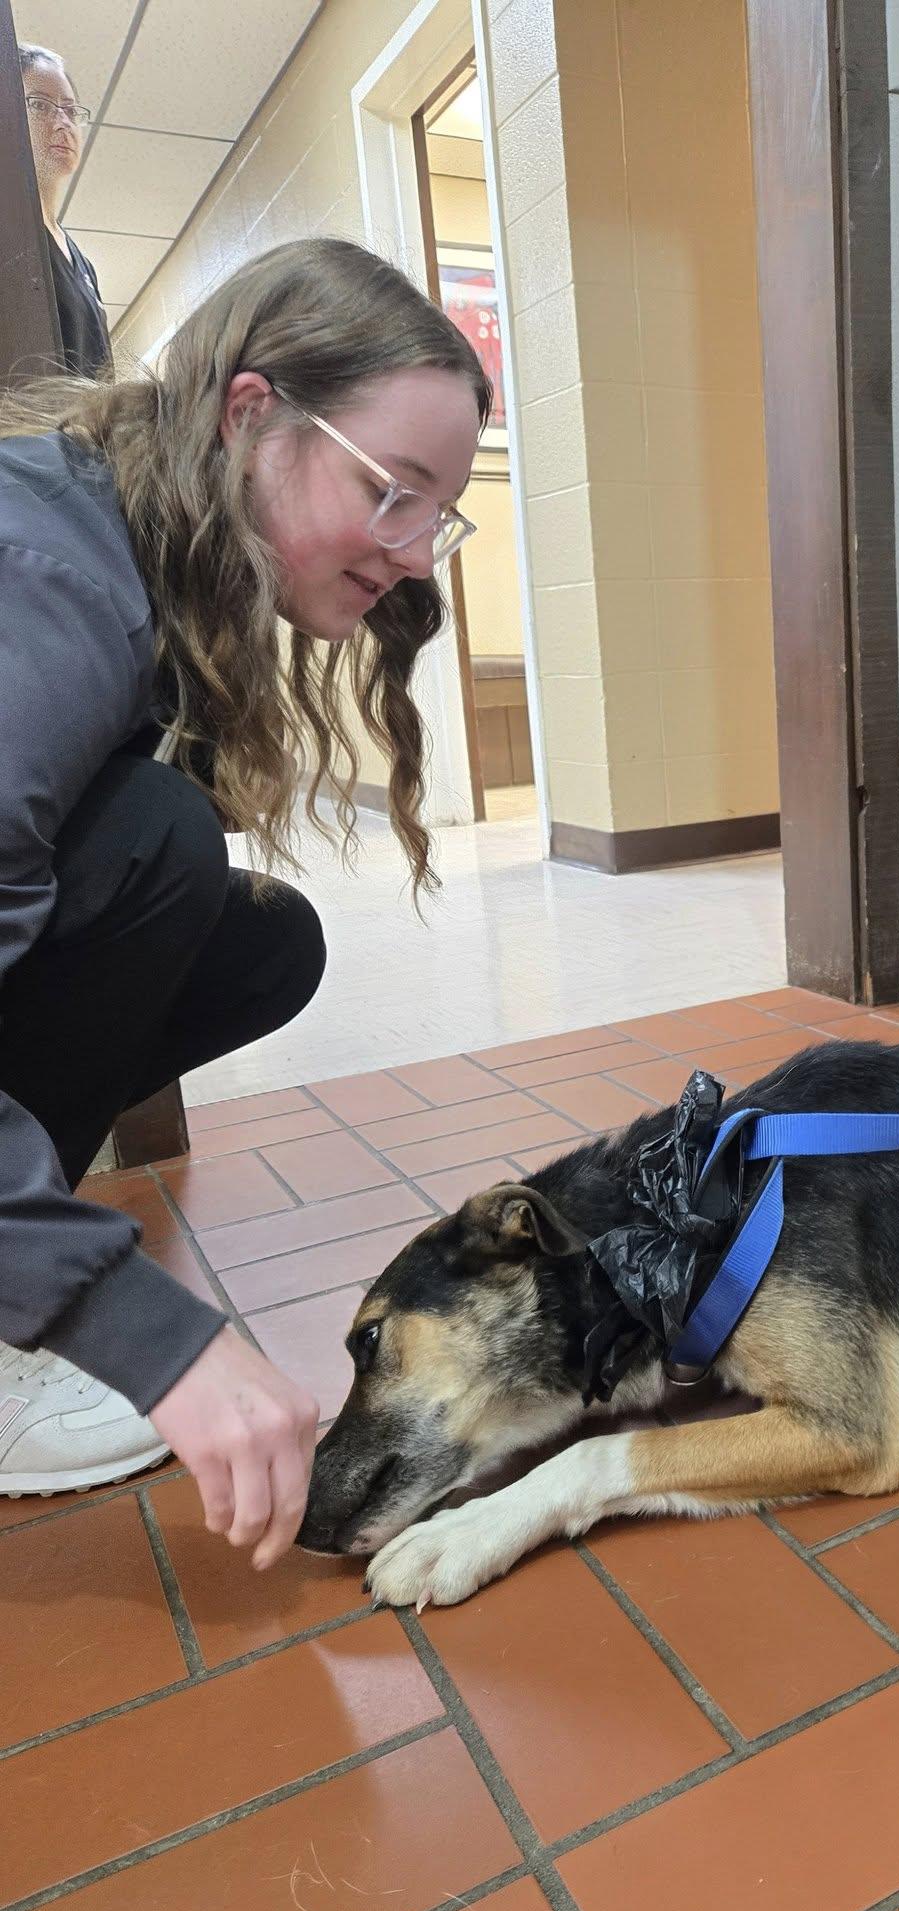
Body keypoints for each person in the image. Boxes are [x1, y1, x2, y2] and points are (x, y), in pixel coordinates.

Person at [0, 236, 490, 1569]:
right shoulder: (42, 587)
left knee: (249, 937)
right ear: (251, 414)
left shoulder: (141, 568)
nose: (411, 555)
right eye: (389, 492)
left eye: (435, 515)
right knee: (162, 839)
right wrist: (141, 1333)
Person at [20, 44, 111, 379]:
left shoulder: (83, 264)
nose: (63, 124)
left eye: (70, 111)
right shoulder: (11, 234)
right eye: (41, 105)